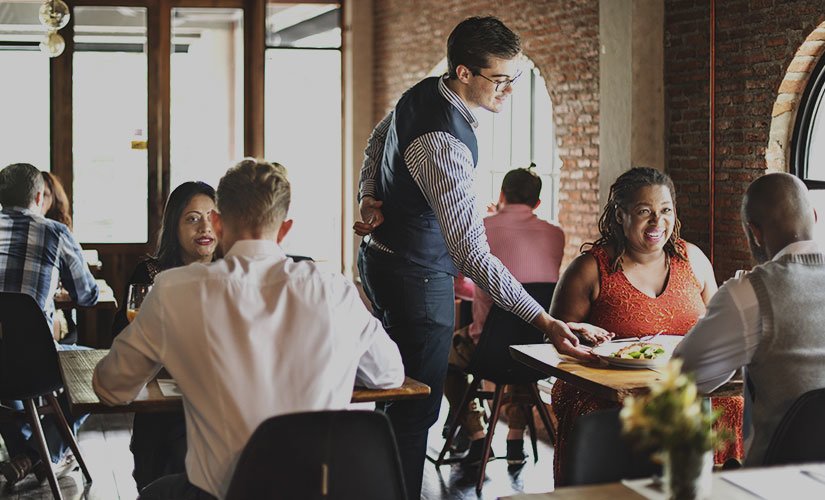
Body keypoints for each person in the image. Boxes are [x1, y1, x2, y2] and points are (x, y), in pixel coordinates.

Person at [354, 16, 609, 497]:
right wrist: (546, 321)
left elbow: (376, 140)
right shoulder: (443, 144)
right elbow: (471, 253)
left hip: (381, 261)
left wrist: (369, 194)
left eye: (516, 78)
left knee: (394, 395)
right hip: (416, 280)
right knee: (416, 412)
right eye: (500, 79)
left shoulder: (423, 93)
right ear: (464, 72)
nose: (510, 90)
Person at [93, 158, 404, 499]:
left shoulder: (173, 290)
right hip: (322, 490)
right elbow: (390, 374)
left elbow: (111, 388)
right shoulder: (335, 290)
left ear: (218, 223)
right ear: (284, 229)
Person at [548, 167, 743, 485]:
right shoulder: (590, 269)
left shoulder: (692, 259)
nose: (657, 222)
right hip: (606, 390)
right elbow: (554, 338)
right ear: (620, 215)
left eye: (665, 210)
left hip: (683, 384)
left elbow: (719, 328)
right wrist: (576, 332)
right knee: (600, 412)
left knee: (733, 403)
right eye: (644, 212)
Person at [676, 172, 825, 466]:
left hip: (775, 481)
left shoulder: (750, 293)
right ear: (815, 217)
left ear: (754, 232)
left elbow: (685, 375)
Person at [443, 167, 565, 466]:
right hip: (538, 351)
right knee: (520, 346)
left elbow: (461, 285)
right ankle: (514, 439)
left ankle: (477, 433)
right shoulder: (556, 234)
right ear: (537, 203)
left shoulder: (481, 228)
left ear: (501, 194)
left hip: (489, 352)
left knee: (443, 358)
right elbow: (537, 287)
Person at [110, 181, 218, 491]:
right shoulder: (151, 274)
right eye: (192, 218)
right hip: (163, 403)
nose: (205, 227)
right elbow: (121, 337)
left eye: (212, 216)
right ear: (174, 226)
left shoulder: (233, 273)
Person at [0, 163, 98, 486]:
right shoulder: (55, 233)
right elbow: (87, 296)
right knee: (99, 369)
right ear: (40, 195)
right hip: (35, 364)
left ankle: (24, 455)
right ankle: (38, 454)